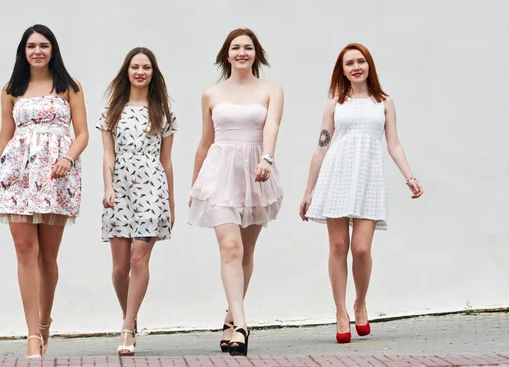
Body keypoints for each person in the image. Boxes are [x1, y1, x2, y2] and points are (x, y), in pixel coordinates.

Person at [0, 24, 88, 358]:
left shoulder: (69, 86)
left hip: (55, 175)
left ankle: (45, 322)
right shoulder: (11, 89)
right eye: (31, 46)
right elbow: (3, 139)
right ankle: (32, 334)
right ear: (23, 51)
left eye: (44, 45)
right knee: (24, 250)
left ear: (53, 50)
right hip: (16, 174)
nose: (37, 51)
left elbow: (83, 134)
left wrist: (67, 158)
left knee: (48, 256)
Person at [299, 43, 423, 344]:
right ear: (341, 71)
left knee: (362, 249)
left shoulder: (384, 102)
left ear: (369, 65)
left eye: (360, 61)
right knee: (339, 246)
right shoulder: (334, 105)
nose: (356, 67)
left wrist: (409, 176)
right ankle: (341, 312)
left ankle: (360, 303)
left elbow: (393, 143)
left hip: (369, 179)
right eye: (349, 63)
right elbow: (322, 145)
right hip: (336, 177)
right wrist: (308, 190)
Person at [188, 28, 284, 356]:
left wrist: (267, 158)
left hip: (256, 172)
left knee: (246, 250)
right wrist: (195, 184)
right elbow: (205, 141)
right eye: (235, 47)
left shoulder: (271, 90)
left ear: (256, 53)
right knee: (229, 247)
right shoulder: (211, 94)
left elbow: (271, 127)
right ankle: (242, 324)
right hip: (218, 174)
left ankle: (230, 317)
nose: (242, 52)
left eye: (248, 47)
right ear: (226, 54)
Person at [97, 47, 177, 356]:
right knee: (119, 269)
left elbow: (166, 161)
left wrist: (169, 201)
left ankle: (128, 328)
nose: (140, 71)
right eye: (134, 66)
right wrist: (107, 188)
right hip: (120, 190)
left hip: (151, 190)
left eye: (146, 67)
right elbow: (107, 155)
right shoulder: (111, 111)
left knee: (138, 260)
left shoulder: (163, 112)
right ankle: (129, 315)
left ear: (153, 73)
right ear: (126, 71)